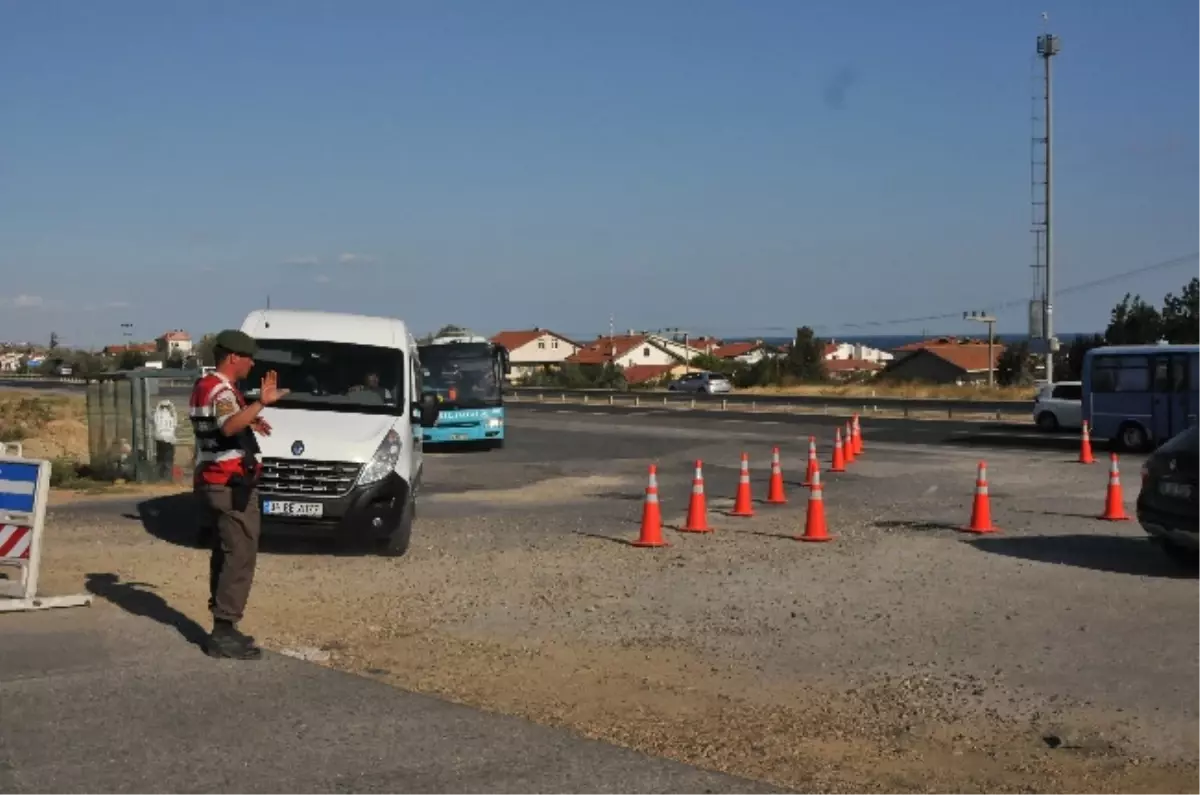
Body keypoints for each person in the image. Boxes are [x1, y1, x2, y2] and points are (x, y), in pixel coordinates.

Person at [188, 329, 288, 660]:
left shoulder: (209, 387)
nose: (252, 363)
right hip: (228, 484)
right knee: (240, 554)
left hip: (217, 481)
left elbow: (227, 425)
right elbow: (229, 426)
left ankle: (224, 625)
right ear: (233, 357)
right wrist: (260, 402)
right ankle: (223, 630)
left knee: (227, 552)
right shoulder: (220, 389)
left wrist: (251, 419)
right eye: (248, 357)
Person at [152, 399, 177, 480]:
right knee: (168, 459)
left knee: (160, 458)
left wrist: (160, 404)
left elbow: (155, 416)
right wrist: (170, 404)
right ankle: (167, 477)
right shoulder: (172, 415)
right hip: (169, 439)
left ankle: (159, 476)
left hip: (160, 438)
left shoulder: (158, 415)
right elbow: (174, 416)